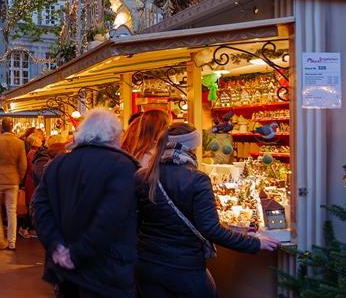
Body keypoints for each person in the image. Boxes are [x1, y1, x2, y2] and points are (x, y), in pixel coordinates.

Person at [135, 122, 280, 298]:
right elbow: (211, 229)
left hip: (147, 264)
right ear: (193, 147)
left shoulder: (143, 176)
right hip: (185, 268)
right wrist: (254, 243)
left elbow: (135, 221)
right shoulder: (197, 179)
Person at [32, 108, 139, 298]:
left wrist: (56, 246)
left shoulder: (58, 163)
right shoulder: (122, 165)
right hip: (107, 271)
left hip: (65, 272)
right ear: (114, 135)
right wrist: (76, 254)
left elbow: (40, 207)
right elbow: (110, 218)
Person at [0, 117, 27, 250]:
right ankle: (12, 241)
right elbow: (23, 164)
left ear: (1, 128)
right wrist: (19, 178)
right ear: (12, 127)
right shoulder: (19, 143)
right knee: (12, 211)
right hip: (13, 180)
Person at [19, 132, 43, 238]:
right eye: (38, 138)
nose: (41, 139)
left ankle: (27, 227)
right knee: (31, 205)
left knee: (30, 205)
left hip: (29, 180)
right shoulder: (34, 153)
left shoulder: (31, 152)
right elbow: (33, 169)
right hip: (32, 181)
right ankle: (27, 227)